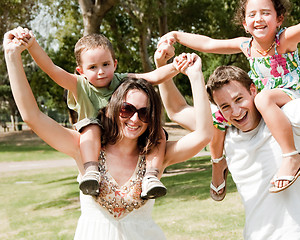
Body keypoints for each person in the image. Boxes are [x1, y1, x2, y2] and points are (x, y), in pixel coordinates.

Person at [158, 2, 300, 239]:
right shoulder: (229, 119)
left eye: (239, 99)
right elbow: (179, 106)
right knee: (228, 118)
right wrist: (168, 52)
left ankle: (291, 156)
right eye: (225, 106)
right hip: (254, 234)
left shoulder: (288, 115)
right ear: (244, 23)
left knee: (265, 100)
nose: (235, 111)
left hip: (289, 94)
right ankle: (218, 162)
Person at [4, 27, 213, 239]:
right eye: (127, 109)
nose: (134, 119)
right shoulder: (85, 147)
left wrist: (195, 76)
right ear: (113, 107)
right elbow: (32, 116)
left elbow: (205, 134)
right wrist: (12, 56)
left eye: (144, 112)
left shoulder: (156, 154)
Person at [12, 29, 181, 199]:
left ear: (114, 64)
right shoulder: (79, 85)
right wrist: (32, 45)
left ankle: (151, 177)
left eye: (105, 64)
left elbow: (152, 77)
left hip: (120, 134)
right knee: (92, 126)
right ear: (81, 71)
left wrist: (176, 66)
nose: (101, 71)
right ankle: (91, 171)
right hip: (93, 141)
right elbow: (51, 69)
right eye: (93, 67)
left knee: (158, 132)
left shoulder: (121, 80)